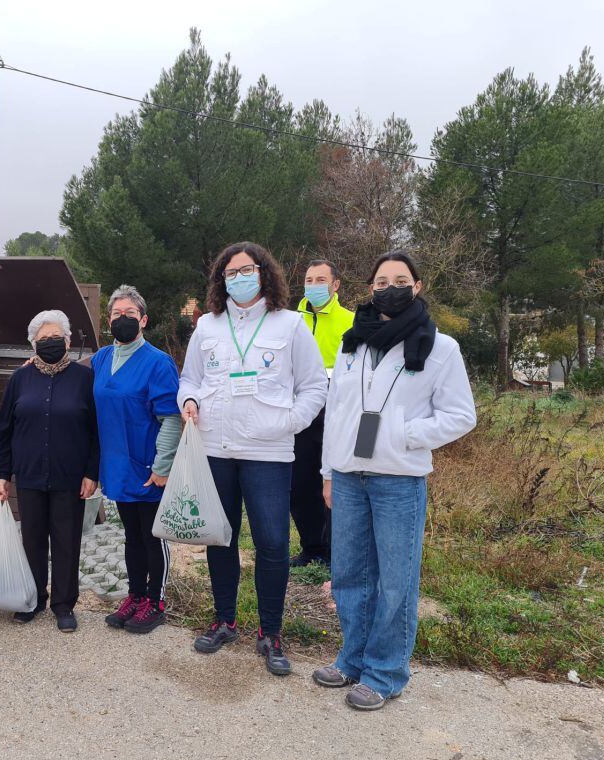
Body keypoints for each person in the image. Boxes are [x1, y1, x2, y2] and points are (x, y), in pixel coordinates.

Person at [314, 250, 475, 710]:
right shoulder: (352, 344)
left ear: (417, 286)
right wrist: (327, 472)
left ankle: (385, 672)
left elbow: (461, 415)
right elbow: (337, 415)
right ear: (370, 289)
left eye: (400, 279)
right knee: (348, 574)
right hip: (347, 476)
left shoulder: (439, 347)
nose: (390, 286)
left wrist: (406, 434)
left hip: (398, 480)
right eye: (381, 280)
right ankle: (352, 658)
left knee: (394, 580)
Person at [179, 242, 328, 675]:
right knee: (219, 537)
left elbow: (315, 386)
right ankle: (224, 620)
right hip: (215, 448)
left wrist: (290, 422)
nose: (238, 278)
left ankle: (270, 632)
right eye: (229, 272)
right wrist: (189, 400)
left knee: (273, 543)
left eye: (246, 270)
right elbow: (190, 377)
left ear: (264, 273)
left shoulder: (290, 325)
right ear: (220, 280)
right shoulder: (207, 325)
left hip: (268, 452)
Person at [0, 310, 99, 632]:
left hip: (70, 476)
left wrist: (92, 472)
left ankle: (64, 604)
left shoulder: (85, 380)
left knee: (67, 541)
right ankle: (34, 598)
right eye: (43, 339)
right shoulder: (19, 379)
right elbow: (4, 429)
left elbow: (96, 430)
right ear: (32, 345)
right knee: (33, 540)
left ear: (68, 341)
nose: (50, 343)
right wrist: (3, 474)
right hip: (29, 475)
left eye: (56, 338)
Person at [94, 285, 182, 635]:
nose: (123, 319)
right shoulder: (101, 359)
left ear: (143, 320)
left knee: (152, 536)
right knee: (131, 535)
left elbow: (171, 418)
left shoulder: (158, 363)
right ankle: (135, 594)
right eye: (117, 314)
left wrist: (162, 467)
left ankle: (155, 602)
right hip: (118, 467)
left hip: (149, 469)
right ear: (109, 320)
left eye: (130, 314)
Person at [290, 259, 355, 568]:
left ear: (335, 285)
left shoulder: (351, 321)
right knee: (299, 482)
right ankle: (311, 546)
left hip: (336, 409)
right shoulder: (291, 320)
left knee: (332, 481)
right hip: (299, 409)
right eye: (308, 279)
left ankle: (334, 550)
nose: (313, 285)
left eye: (320, 279)